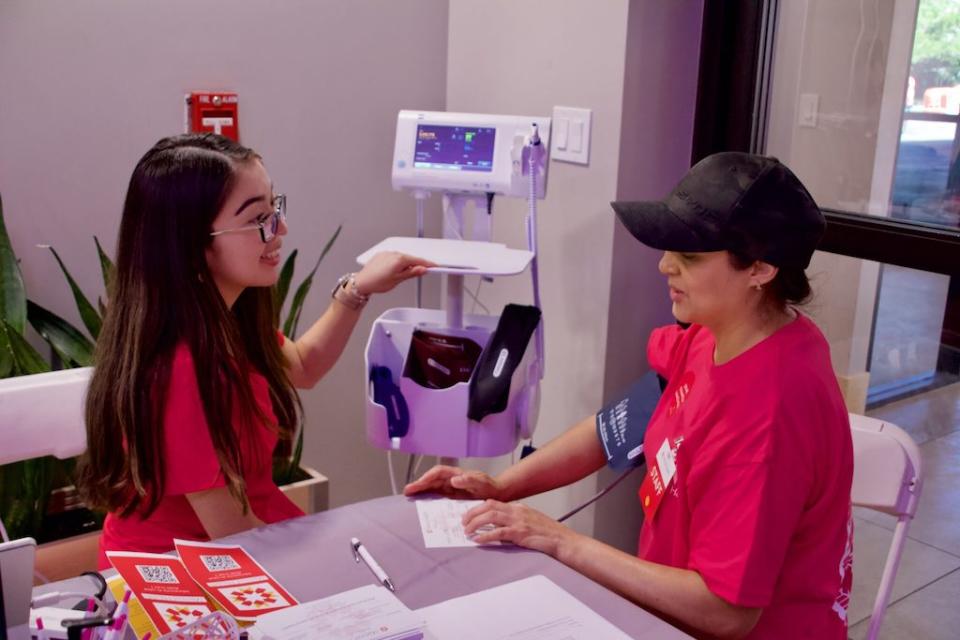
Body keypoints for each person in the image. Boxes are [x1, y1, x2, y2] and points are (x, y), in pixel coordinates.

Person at [405, 152, 853, 639]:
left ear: (760, 269)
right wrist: (503, 487)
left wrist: (560, 541)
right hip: (658, 617)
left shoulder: (770, 415)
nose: (664, 266)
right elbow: (615, 428)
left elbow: (725, 611)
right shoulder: (717, 333)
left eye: (689, 256)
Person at [78, 133, 432, 569]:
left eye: (275, 209)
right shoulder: (178, 368)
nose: (280, 229)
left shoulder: (224, 320)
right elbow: (233, 535)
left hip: (252, 538)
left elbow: (302, 366)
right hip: (183, 573)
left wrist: (359, 288)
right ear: (193, 243)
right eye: (258, 218)